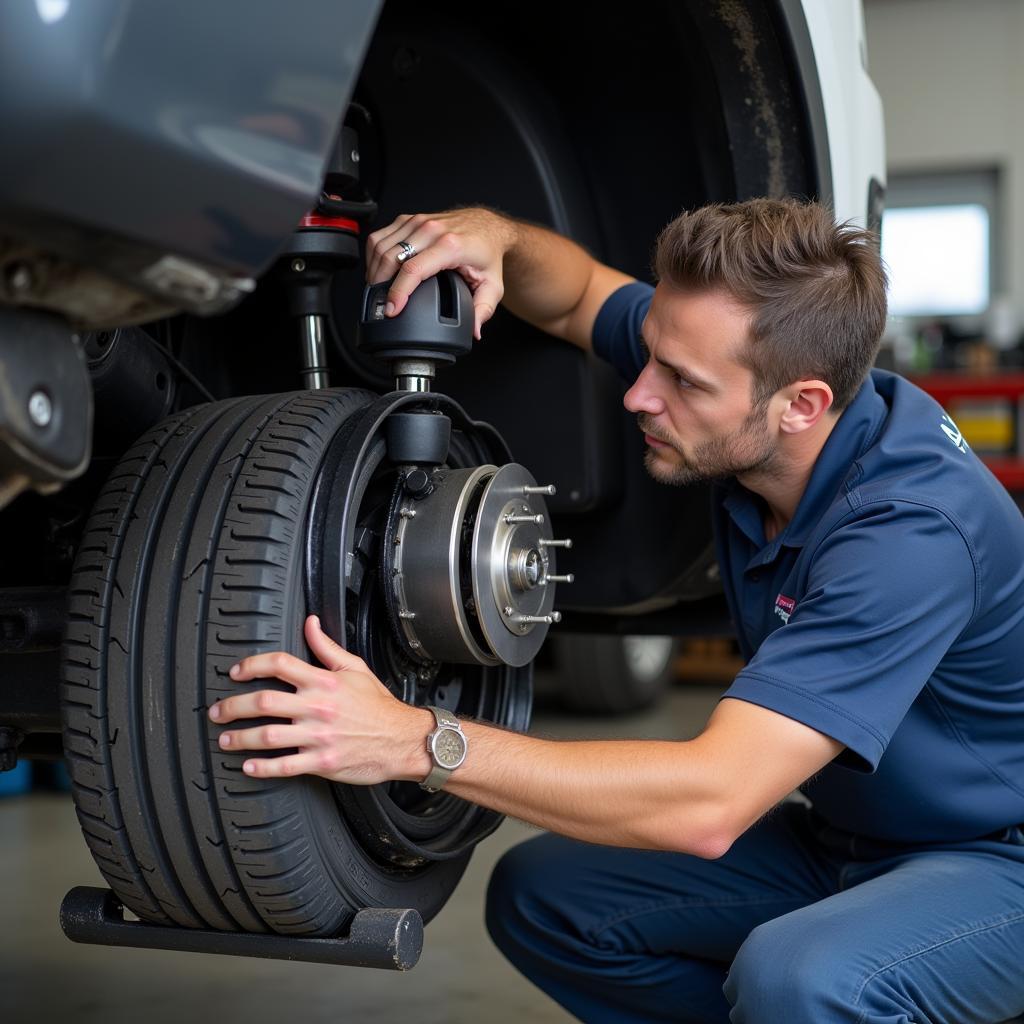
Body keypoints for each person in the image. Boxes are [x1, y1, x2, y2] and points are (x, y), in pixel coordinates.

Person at [207, 199, 1024, 1024]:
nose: (637, 394)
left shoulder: (910, 536)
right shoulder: (735, 354)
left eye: (682, 382)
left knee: (805, 980)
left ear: (801, 405)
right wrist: (500, 237)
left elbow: (710, 803)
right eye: (651, 357)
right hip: (849, 843)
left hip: (997, 864)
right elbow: (573, 295)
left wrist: (415, 740)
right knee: (547, 898)